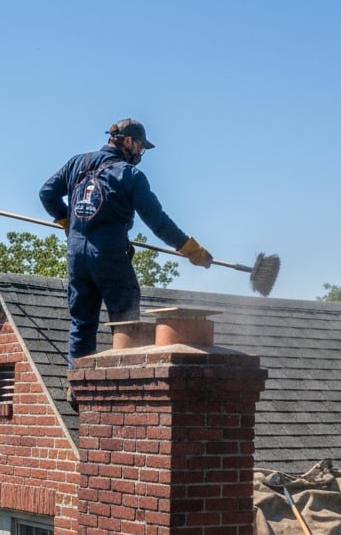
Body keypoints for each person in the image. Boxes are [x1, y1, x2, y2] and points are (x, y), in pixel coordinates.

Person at [39, 118, 212, 372]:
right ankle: (126, 379)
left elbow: (47, 192)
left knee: (81, 322)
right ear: (128, 141)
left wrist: (68, 222)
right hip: (109, 257)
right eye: (141, 147)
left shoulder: (78, 163)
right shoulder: (131, 175)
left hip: (77, 256)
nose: (140, 154)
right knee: (126, 322)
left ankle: (75, 383)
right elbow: (158, 222)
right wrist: (190, 249)